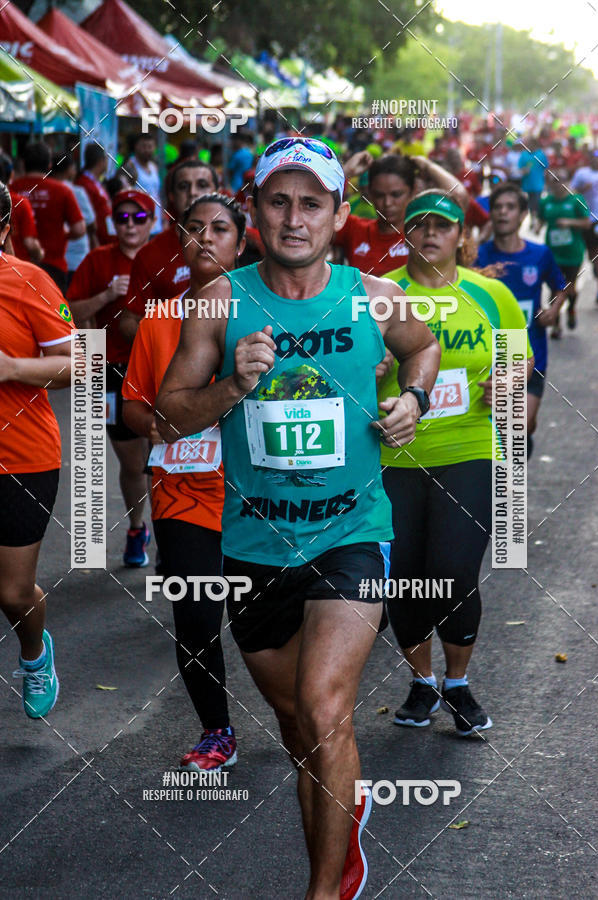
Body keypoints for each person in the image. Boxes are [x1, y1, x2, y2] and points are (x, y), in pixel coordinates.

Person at [155, 138, 440, 900]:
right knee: (300, 732)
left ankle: (326, 888)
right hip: (253, 547)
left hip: (351, 532)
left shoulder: (373, 297)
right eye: (278, 200)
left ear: (340, 215)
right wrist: (231, 388)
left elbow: (424, 346)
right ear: (253, 212)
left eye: (311, 202)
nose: (293, 217)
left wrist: (412, 398)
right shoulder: (219, 303)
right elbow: (167, 416)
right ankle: (346, 816)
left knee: (323, 706)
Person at [379, 190, 533, 736]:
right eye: (418, 224)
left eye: (441, 225)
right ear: (404, 233)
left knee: (453, 571)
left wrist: (506, 381)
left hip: (469, 448)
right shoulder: (379, 294)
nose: (428, 233)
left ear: (461, 236)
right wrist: (375, 373)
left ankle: (458, 682)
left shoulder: (491, 295)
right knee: (403, 576)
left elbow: (521, 358)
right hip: (393, 455)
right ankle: (422, 681)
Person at [122, 194, 246, 771]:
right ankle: (216, 730)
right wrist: (164, 426)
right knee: (195, 614)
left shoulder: (265, 309)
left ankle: (305, 715)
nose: (206, 237)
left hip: (257, 498)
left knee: (265, 621)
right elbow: (131, 407)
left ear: (241, 243)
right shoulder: (160, 318)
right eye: (194, 228)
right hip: (181, 492)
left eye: (220, 228)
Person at [0, 181, 73, 718]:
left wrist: (13, 369)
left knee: (12, 592)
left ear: (5, 229)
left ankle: (33, 654)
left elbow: (80, 364)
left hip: (21, 460)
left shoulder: (30, 282)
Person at [68, 190, 156, 566]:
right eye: (123, 218)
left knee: (169, 460)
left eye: (138, 218)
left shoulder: (165, 259)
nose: (130, 225)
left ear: (152, 222)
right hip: (111, 370)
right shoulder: (98, 259)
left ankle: (173, 538)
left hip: (162, 368)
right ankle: (138, 527)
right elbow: (69, 311)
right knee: (133, 462)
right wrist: (107, 295)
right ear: (112, 222)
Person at [477, 183, 567, 458]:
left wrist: (553, 310)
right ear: (491, 214)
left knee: (521, 428)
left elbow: (560, 288)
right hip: (488, 355)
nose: (503, 213)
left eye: (510, 207)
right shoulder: (478, 256)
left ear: (523, 214)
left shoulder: (540, 254)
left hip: (530, 353)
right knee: (499, 431)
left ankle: (527, 430)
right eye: (497, 208)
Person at [119, 160, 219, 344]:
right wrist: (167, 345)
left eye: (202, 185)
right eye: (184, 186)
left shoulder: (241, 247)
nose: (193, 192)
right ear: (172, 196)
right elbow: (128, 321)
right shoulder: (150, 254)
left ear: (217, 192)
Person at [337, 151, 468, 275]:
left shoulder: (422, 235)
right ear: (370, 193)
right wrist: (345, 172)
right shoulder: (354, 229)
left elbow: (459, 197)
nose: (387, 203)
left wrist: (428, 166)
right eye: (379, 195)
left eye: (396, 195)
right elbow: (318, 212)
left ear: (413, 190)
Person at [12, 141, 85, 293]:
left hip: (16, 268)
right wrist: (63, 235)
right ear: (49, 165)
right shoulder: (62, 191)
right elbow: (79, 229)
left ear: (24, 163)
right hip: (53, 267)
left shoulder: (10, 191)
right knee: (55, 314)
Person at [539, 168, 590, 330]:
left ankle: (571, 309)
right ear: (549, 183)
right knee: (555, 287)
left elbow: (587, 222)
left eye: (560, 179)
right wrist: (536, 225)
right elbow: (540, 219)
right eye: (553, 180)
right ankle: (556, 323)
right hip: (552, 252)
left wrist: (569, 223)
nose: (558, 183)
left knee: (570, 287)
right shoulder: (546, 202)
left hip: (572, 252)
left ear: (567, 181)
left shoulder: (576, 200)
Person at [53, 153, 97, 287]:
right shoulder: (76, 191)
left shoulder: (47, 190)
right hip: (76, 257)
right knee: (71, 299)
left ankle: (61, 309)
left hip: (54, 258)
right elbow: (91, 224)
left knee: (58, 298)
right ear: (70, 169)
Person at [0, 152, 43, 264]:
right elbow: (29, 242)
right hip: (15, 268)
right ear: (11, 175)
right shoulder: (20, 203)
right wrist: (39, 254)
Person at [571, 149, 598, 303]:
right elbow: (571, 192)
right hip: (587, 220)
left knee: (597, 255)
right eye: (594, 158)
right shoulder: (582, 174)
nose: (596, 161)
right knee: (590, 255)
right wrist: (583, 189)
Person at [75, 144, 112, 246]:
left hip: (105, 238)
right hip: (95, 241)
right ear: (101, 161)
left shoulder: (95, 181)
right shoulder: (83, 183)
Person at [127, 133, 162, 234]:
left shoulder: (153, 166)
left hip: (156, 222)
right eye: (144, 146)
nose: (147, 150)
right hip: (139, 223)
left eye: (150, 147)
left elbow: (157, 194)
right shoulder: (130, 166)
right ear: (136, 147)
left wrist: (163, 217)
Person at [518, 137, 548, 229]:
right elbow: (520, 168)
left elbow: (546, 168)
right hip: (526, 185)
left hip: (537, 185)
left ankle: (534, 221)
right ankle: (530, 219)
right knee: (527, 204)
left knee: (535, 204)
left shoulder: (541, 154)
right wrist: (523, 171)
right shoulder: (524, 155)